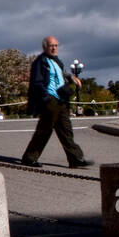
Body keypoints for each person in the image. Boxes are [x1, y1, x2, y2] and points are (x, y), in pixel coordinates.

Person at [21, 36, 93, 168]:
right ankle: (29, 158)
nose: (54, 48)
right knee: (44, 130)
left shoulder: (57, 62)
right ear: (45, 47)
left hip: (62, 100)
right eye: (51, 45)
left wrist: (71, 77)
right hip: (50, 100)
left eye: (56, 45)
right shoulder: (40, 62)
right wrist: (46, 97)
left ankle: (75, 158)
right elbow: (36, 82)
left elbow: (62, 74)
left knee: (66, 130)